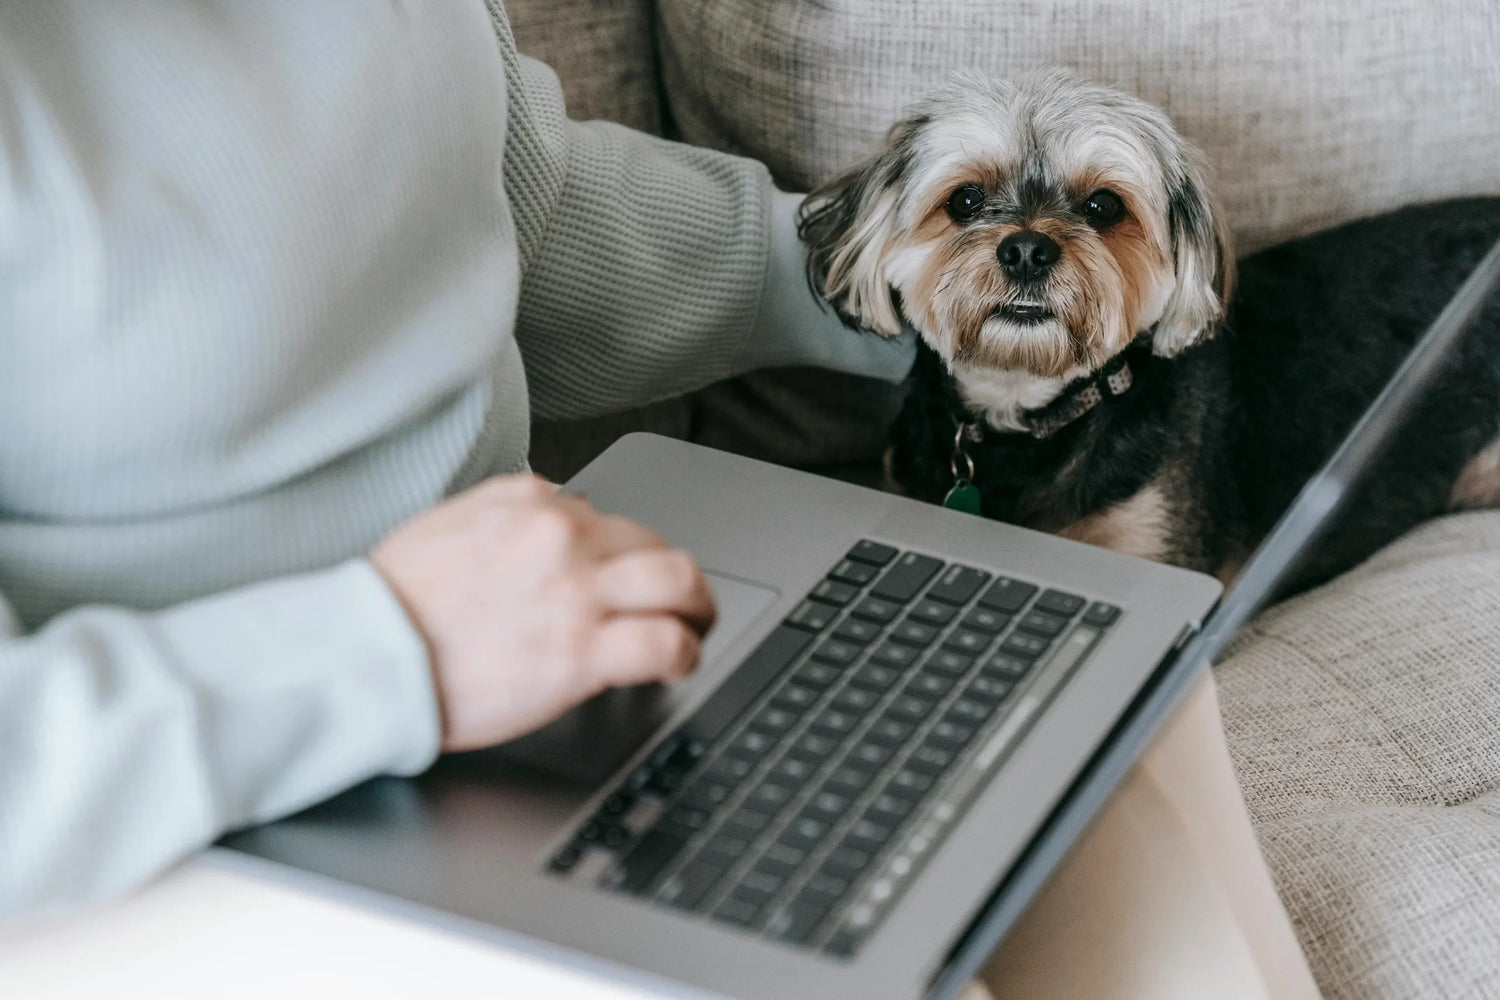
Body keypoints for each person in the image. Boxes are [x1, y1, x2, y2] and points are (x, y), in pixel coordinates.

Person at [0, 4, 1321, 997]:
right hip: (168, 829)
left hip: (533, 681)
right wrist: (384, 649)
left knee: (1116, 700)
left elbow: (528, 213)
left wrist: (935, 292)